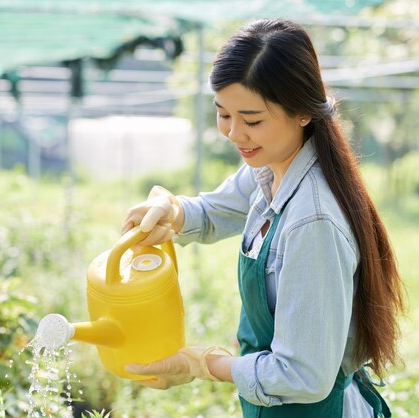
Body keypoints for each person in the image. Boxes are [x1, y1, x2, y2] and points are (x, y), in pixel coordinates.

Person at [121, 19, 404, 418]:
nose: (235, 134)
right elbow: (215, 209)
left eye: (252, 120)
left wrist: (202, 364)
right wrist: (175, 211)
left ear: (303, 112)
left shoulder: (313, 222)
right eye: (223, 115)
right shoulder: (270, 169)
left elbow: (302, 375)